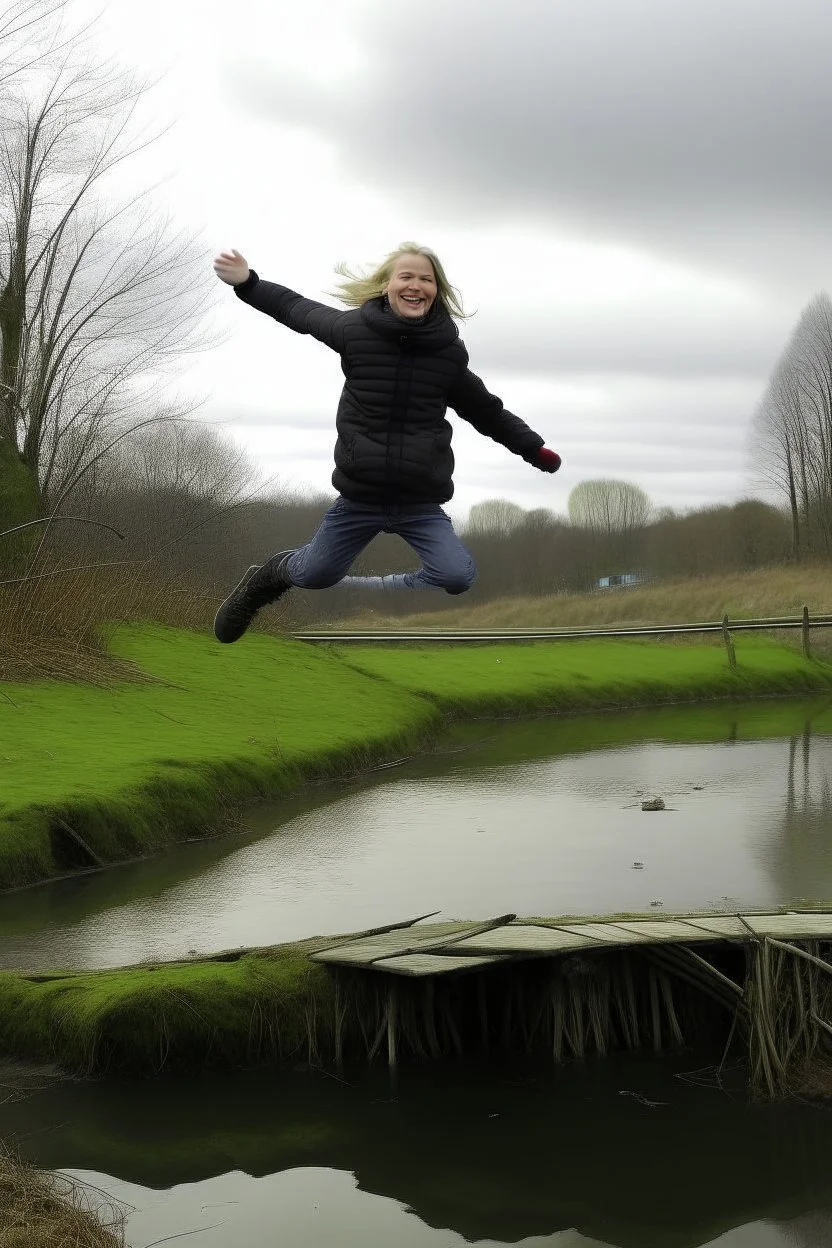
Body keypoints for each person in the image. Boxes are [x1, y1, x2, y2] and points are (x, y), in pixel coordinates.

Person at [212, 243, 561, 643]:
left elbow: (487, 412)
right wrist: (249, 283)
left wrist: (533, 449)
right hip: (360, 498)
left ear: (437, 291)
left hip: (419, 503)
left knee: (457, 576)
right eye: (406, 277)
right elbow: (297, 310)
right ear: (387, 286)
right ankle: (266, 578)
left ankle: (368, 588)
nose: (416, 286)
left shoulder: (447, 354)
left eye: (426, 279)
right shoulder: (354, 331)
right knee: (314, 574)